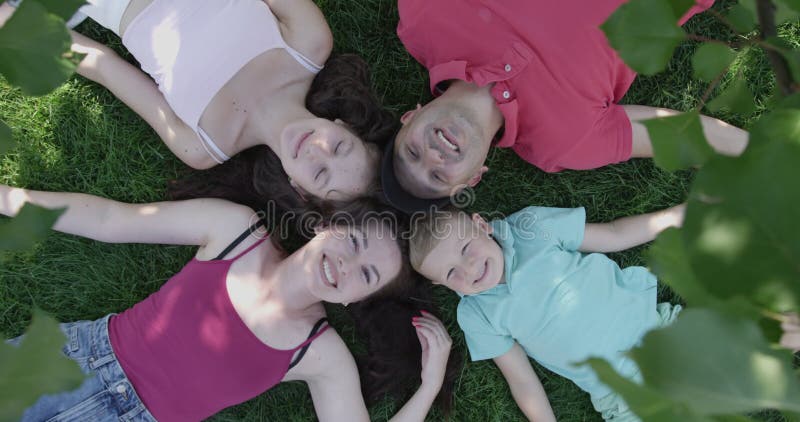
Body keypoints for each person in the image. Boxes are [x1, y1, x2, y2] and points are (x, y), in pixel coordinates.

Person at [0, 184, 452, 421]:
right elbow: (110, 219)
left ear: (361, 298)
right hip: (76, 361)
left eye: (367, 276)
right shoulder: (235, 230)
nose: (347, 266)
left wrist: (428, 386)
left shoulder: (321, 354)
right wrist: (8, 198)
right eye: (353, 241)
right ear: (325, 225)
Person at [0, 0, 396, 206]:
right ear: (344, 126)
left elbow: (104, 66)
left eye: (321, 176)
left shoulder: (203, 145)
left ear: (299, 188)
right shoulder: (308, 46)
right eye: (340, 147)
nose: (317, 151)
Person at [380, 0, 749, 213]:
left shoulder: (422, 16)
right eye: (439, 177)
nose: (432, 156)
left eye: (412, 152)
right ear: (475, 176)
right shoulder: (565, 143)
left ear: (410, 117)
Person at [409, 203, 691, 420]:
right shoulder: (476, 315)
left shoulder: (531, 228)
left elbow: (613, 234)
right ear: (440, 284)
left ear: (481, 225)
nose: (468, 269)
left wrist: (678, 215)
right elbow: (522, 380)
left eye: (466, 248)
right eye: (450, 273)